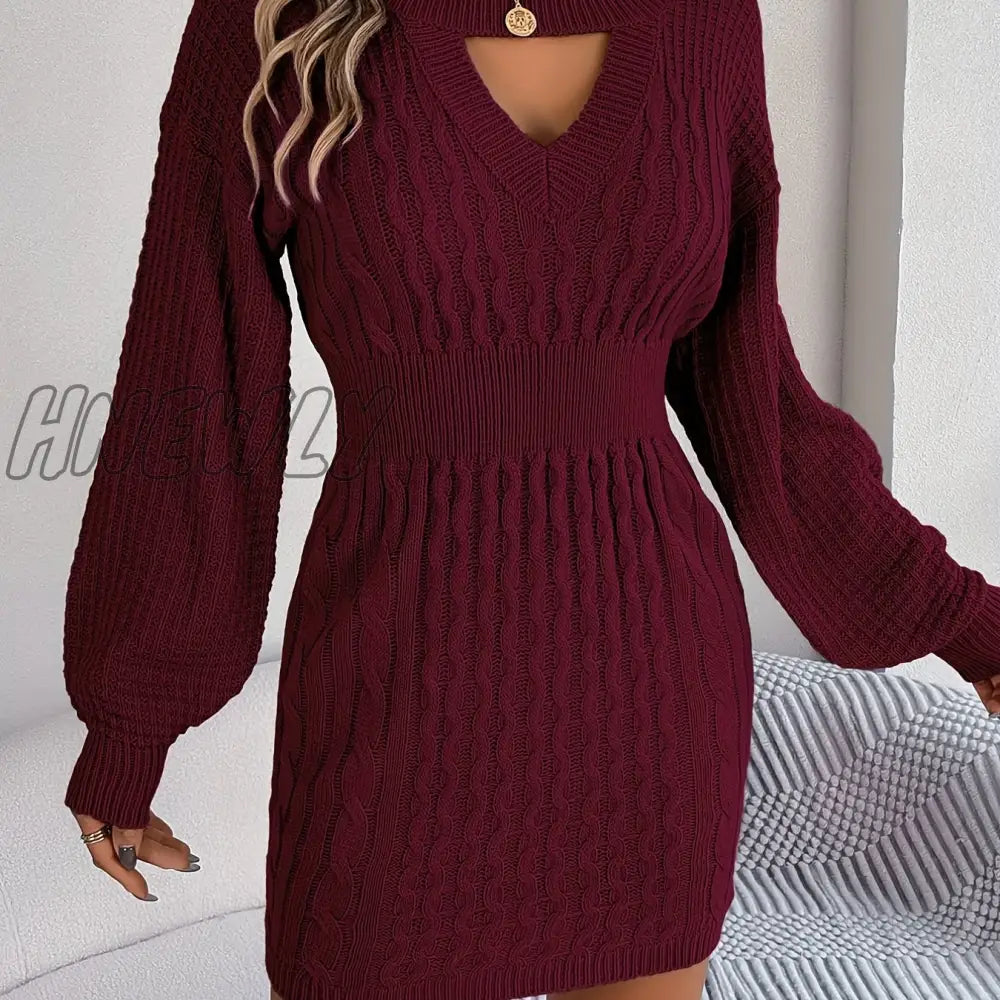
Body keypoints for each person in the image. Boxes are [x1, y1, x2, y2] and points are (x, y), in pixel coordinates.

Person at [62, 1, 1000, 999]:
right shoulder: (277, 22)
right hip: (395, 688)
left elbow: (757, 400)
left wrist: (968, 625)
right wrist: (132, 724)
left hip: (657, 693)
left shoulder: (707, 18)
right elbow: (191, 394)